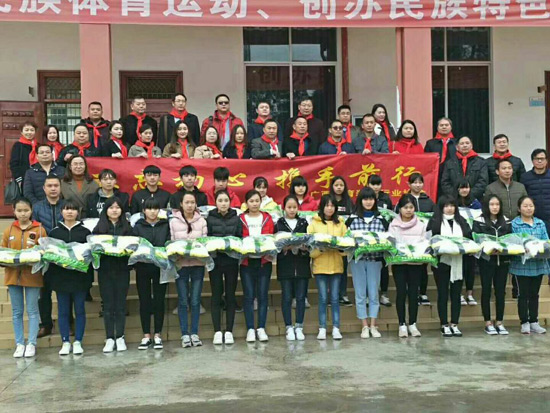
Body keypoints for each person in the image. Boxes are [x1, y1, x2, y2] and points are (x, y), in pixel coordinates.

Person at [2, 198, 47, 358]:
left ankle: (31, 343)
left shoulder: (40, 229)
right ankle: (20, 343)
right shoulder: (9, 230)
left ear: (31, 211)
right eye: (19, 211)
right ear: (14, 211)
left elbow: (44, 252)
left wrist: (36, 257)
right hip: (12, 276)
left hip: (32, 276)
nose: (23, 214)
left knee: (33, 310)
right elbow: (3, 251)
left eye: (26, 210)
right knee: (16, 311)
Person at [47, 201, 92, 355]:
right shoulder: (54, 233)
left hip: (80, 278)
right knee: (63, 311)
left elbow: (89, 256)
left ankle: (78, 341)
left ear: (78, 212)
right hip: (61, 278)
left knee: (80, 309)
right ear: (61, 212)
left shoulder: (85, 232)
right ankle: (65, 341)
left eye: (73, 209)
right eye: (67, 209)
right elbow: (51, 256)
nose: (70, 212)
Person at [428, 195, 472, 337]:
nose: (449, 208)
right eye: (446, 206)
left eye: (452, 205)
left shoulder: (461, 221)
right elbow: (430, 240)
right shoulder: (435, 221)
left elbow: (469, 238)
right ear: (441, 207)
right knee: (442, 293)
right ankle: (444, 324)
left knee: (456, 294)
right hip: (441, 262)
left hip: (459, 261)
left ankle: (454, 323)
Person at [93, 197, 133, 353]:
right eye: (111, 207)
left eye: (117, 207)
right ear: (106, 210)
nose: (114, 210)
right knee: (108, 305)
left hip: (122, 270)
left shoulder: (128, 228)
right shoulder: (99, 228)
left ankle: (120, 337)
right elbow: (94, 249)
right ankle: (109, 337)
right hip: (105, 271)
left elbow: (134, 247)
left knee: (121, 305)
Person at [347, 188, 387, 338]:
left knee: (374, 293)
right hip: (358, 261)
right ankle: (364, 326)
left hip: (375, 261)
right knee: (360, 294)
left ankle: (373, 325)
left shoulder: (381, 219)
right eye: (365, 199)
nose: (368, 202)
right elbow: (347, 240)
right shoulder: (352, 219)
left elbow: (388, 239)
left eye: (371, 199)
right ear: (360, 200)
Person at [171, 192, 208, 348]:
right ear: (181, 204)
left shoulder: (202, 221)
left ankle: (194, 333)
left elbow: (205, 242)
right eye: (187, 202)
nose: (190, 205)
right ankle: (184, 334)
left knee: (195, 300)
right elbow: (172, 242)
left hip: (198, 265)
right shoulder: (173, 222)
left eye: (192, 202)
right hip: (181, 266)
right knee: (183, 300)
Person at [133, 198, 170, 350]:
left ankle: (158, 334)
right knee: (144, 300)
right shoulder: (138, 226)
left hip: (160, 268)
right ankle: (146, 335)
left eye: (155, 208)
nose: (152, 212)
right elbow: (134, 246)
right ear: (144, 211)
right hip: (143, 268)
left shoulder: (165, 226)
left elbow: (168, 243)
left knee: (159, 300)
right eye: (149, 208)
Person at [308, 194, 347, 340]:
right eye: (327, 205)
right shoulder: (314, 224)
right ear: (322, 207)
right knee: (323, 298)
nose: (329, 208)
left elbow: (347, 246)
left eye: (332, 206)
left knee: (335, 298)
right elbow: (310, 249)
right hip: (320, 266)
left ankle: (336, 327)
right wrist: (321, 249)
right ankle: (322, 328)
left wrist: (339, 248)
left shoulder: (341, 223)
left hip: (336, 266)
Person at [207, 190, 243, 345]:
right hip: (215, 261)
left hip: (231, 261)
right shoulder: (209, 218)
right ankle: (217, 331)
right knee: (216, 295)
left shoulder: (236, 218)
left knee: (230, 295)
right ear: (215, 202)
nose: (223, 203)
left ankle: (229, 331)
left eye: (226, 200)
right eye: (220, 200)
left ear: (230, 202)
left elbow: (240, 237)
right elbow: (206, 238)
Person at [510, 196, 550, 334]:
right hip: (521, 265)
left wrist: (541, 246)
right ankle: (524, 322)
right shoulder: (514, 224)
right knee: (523, 294)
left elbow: (546, 240)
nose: (528, 208)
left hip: (538, 263)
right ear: (519, 208)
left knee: (534, 294)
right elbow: (513, 243)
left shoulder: (540, 223)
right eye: (525, 206)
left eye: (531, 206)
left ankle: (534, 321)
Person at [388, 194, 427, 338]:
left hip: (415, 264)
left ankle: (413, 323)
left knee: (413, 293)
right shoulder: (393, 225)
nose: (408, 210)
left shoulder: (421, 225)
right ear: (400, 209)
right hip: (399, 264)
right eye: (405, 207)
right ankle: (402, 324)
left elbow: (424, 242)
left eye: (411, 207)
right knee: (401, 292)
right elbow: (391, 243)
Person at [240, 190, 275, 343]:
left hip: (264, 262)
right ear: (246, 203)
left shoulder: (267, 218)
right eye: (251, 201)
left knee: (262, 295)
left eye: (257, 201)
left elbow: (271, 237)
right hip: (246, 262)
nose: (254, 204)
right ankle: (250, 328)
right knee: (248, 295)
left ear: (261, 202)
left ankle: (261, 328)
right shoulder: (241, 219)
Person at [472, 195, 511, 335]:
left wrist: (503, 249)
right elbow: (476, 240)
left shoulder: (506, 221)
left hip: (503, 261)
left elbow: (510, 240)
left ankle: (499, 321)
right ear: (486, 206)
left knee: (500, 292)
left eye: (497, 204)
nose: (495, 207)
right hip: (486, 261)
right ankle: (488, 322)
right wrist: (487, 248)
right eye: (492, 204)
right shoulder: (479, 221)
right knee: (486, 290)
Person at [275, 195, 310, 341]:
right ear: (284, 208)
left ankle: (299, 326)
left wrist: (305, 247)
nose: (292, 210)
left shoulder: (303, 223)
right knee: (287, 296)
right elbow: (275, 244)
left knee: (301, 297)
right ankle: (288, 326)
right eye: (289, 207)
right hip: (285, 264)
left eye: (294, 207)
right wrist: (284, 247)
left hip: (302, 264)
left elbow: (310, 241)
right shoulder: (279, 223)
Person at [407, 173, 435, 306]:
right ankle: (412, 292)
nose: (417, 185)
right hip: (409, 238)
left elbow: (434, 218)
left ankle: (423, 292)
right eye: (414, 182)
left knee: (423, 265)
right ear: (409, 184)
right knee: (410, 266)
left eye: (420, 182)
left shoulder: (428, 201)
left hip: (424, 238)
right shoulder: (405, 200)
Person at [368, 174, 393, 307]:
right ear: (368, 185)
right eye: (373, 184)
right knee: (368, 266)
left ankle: (383, 294)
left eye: (378, 184)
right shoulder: (364, 197)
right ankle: (369, 295)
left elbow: (391, 215)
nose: (376, 187)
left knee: (383, 266)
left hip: (383, 235)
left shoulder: (385, 198)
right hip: (368, 236)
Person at [441, 136, 488, 202]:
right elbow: (445, 182)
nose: (465, 145)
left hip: (475, 200)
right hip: (454, 200)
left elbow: (483, 181)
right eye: (462, 143)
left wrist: (469, 195)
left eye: (467, 143)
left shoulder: (481, 162)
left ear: (471, 146)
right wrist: (456, 194)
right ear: (457, 147)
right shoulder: (449, 163)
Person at [330, 176, 354, 306]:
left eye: (341, 185)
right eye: (336, 185)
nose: (339, 187)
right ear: (332, 187)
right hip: (329, 239)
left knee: (343, 268)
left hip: (344, 240)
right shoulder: (328, 201)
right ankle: (331, 295)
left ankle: (343, 294)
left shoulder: (349, 202)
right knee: (331, 268)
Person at [521, 149, 550, 235]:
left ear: (546, 161)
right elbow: (523, 197)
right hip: (533, 218)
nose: (539, 161)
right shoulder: (525, 177)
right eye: (537, 159)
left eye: (542, 159)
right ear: (532, 161)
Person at [424, 117, 456, 183]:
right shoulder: (430, 143)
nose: (444, 127)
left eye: (446, 125)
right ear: (437, 128)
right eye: (441, 125)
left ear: (451, 127)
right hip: (435, 175)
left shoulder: (457, 143)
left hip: (453, 175)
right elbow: (426, 160)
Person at [9, 121, 38, 188]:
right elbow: (14, 164)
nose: (29, 132)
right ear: (22, 132)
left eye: (32, 130)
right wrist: (18, 178)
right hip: (23, 178)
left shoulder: (38, 146)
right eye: (26, 130)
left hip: (37, 177)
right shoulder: (18, 145)